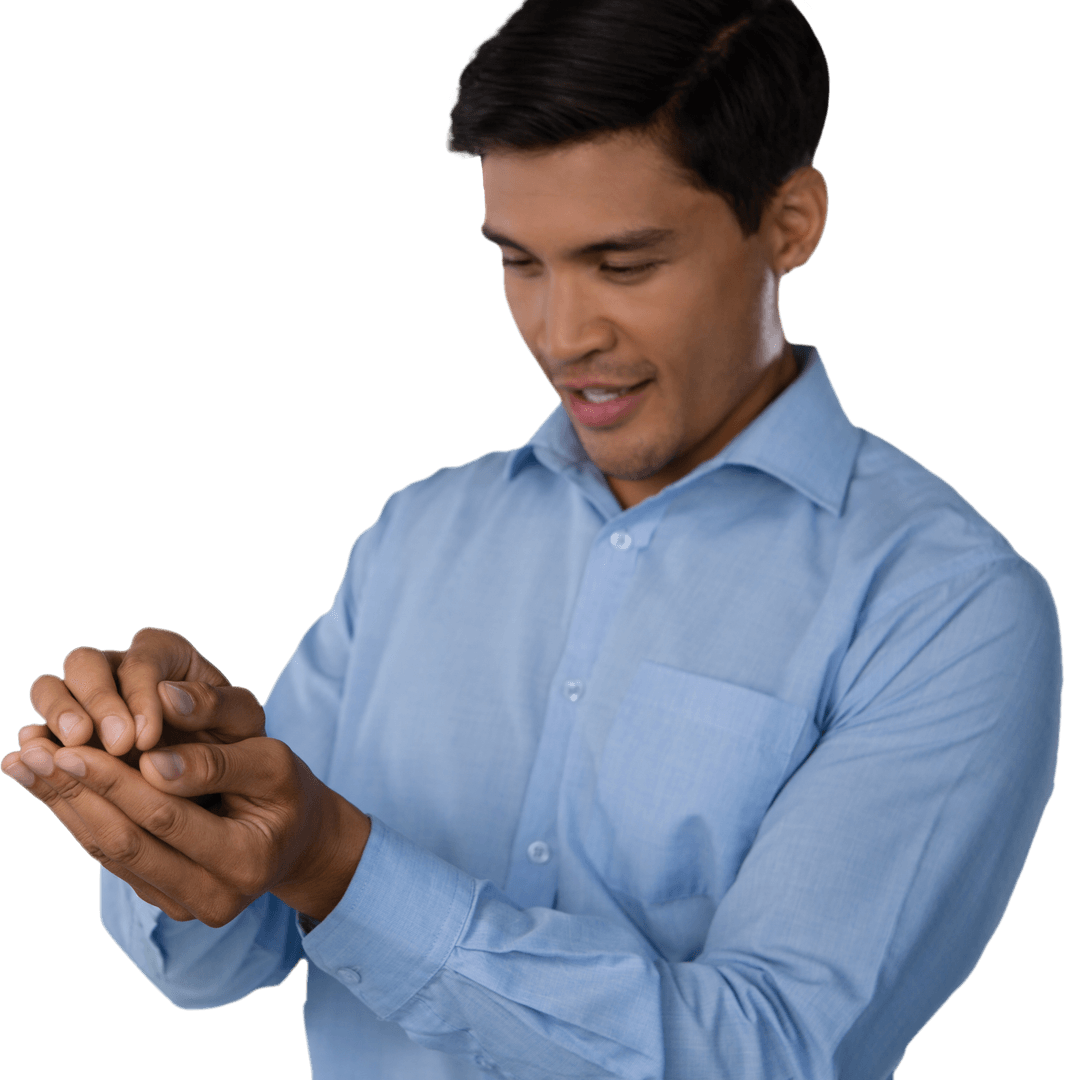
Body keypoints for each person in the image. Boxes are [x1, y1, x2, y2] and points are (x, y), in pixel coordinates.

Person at [4, 0, 1061, 1076]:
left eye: (626, 264)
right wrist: (189, 793)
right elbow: (221, 961)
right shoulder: (422, 534)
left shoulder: (949, 608)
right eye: (521, 262)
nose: (563, 335)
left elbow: (766, 1055)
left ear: (789, 222)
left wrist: (334, 860)